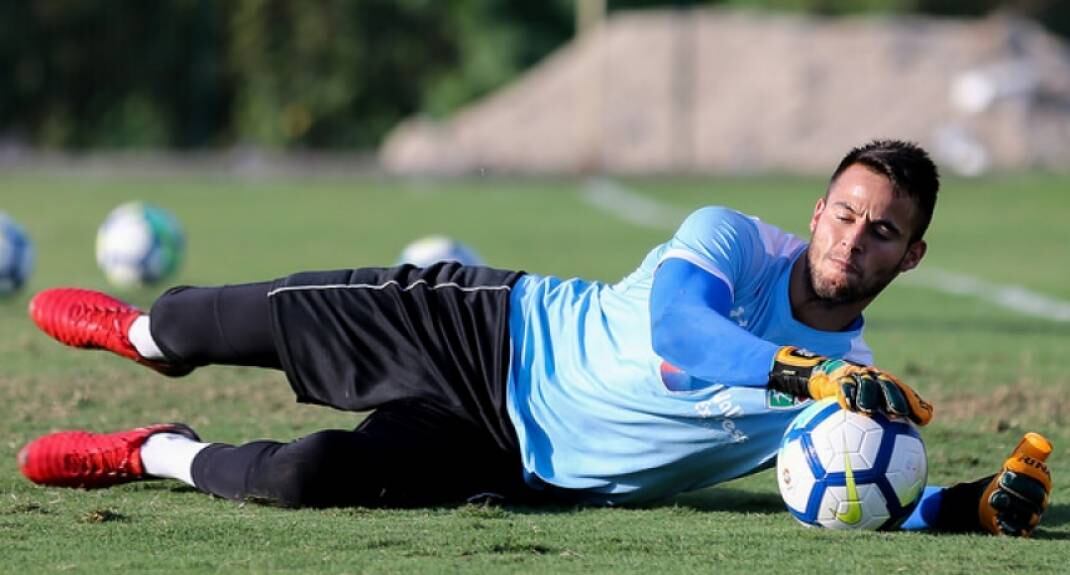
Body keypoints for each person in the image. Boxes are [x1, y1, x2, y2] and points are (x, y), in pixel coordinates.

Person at [17, 140, 1051, 536]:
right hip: (485, 328)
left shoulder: (847, 389)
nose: (853, 237)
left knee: (302, 477)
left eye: (882, 231)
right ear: (816, 206)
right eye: (844, 212)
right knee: (207, 322)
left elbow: (842, 487)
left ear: (907, 256)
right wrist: (806, 369)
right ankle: (143, 334)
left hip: (515, 458)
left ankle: (151, 447)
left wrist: (966, 507)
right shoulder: (730, 240)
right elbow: (677, 330)